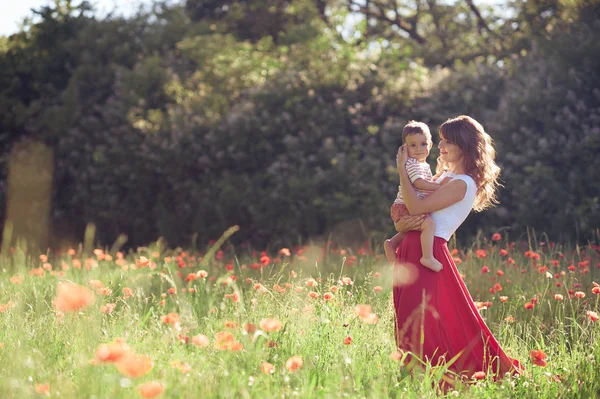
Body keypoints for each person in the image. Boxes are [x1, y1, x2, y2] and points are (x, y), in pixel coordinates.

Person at [392, 115, 522, 387]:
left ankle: (439, 381)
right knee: (408, 318)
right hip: (413, 247)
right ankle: (416, 382)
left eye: (447, 141)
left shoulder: (462, 183)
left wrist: (403, 170)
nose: (440, 146)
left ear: (464, 145)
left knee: (421, 323)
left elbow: (415, 207)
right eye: (440, 140)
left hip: (428, 252)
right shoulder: (446, 176)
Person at [383, 121, 451, 271]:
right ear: (404, 148)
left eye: (423, 144)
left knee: (412, 227)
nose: (419, 149)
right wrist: (440, 186)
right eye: (413, 145)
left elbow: (424, 183)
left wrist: (437, 179)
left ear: (430, 144)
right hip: (405, 206)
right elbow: (419, 183)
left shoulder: (422, 165)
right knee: (429, 225)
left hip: (403, 206)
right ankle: (427, 257)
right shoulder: (412, 164)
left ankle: (392, 243)